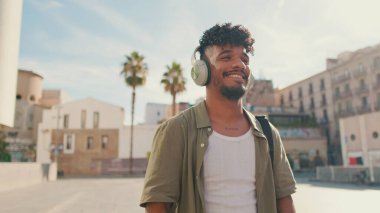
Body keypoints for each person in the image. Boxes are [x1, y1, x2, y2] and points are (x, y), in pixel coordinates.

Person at [140, 23, 296, 213]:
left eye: (244, 59)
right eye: (226, 57)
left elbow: (284, 200)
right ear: (202, 70)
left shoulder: (268, 133)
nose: (240, 64)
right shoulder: (176, 129)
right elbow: (157, 204)